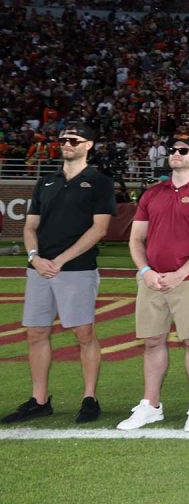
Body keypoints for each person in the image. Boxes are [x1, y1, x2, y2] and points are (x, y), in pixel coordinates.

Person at [3, 123, 115, 426]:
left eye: (74, 140)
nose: (66, 143)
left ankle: (89, 398)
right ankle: (39, 400)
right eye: (64, 139)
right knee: (36, 333)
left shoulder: (99, 182)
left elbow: (100, 228)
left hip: (76, 269)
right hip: (40, 270)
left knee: (83, 333)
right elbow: (29, 227)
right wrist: (34, 258)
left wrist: (60, 260)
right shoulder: (46, 181)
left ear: (88, 145)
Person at [117, 133, 189, 432]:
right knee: (152, 341)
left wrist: (181, 273)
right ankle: (151, 404)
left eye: (184, 150)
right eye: (173, 150)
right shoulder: (153, 193)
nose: (177, 154)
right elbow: (136, 238)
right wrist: (145, 271)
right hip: (152, 279)